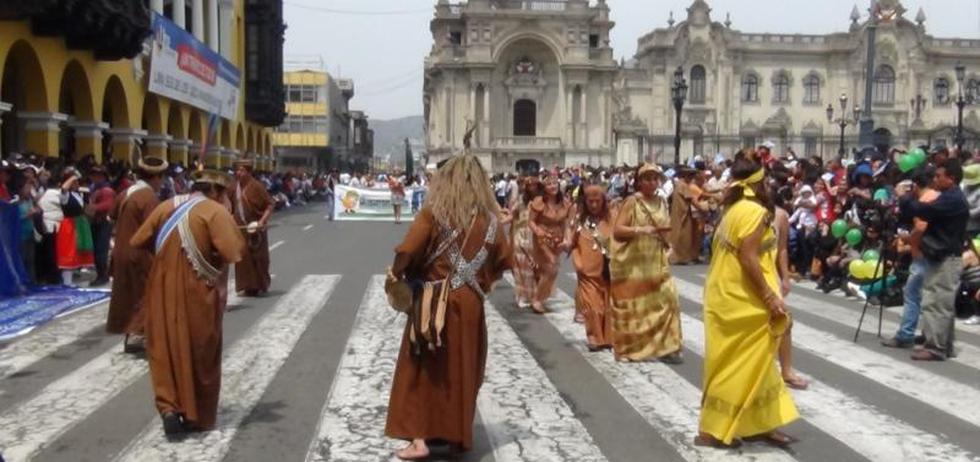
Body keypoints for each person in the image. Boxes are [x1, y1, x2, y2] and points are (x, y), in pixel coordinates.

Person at [385, 154, 512, 460]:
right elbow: (503, 260)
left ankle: (420, 439)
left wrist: (399, 273)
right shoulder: (491, 220)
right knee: (463, 367)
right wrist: (480, 280)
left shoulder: (433, 214)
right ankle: (455, 436)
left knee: (422, 367)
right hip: (470, 302)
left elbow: (408, 251)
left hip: (433, 300)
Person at [130, 169, 243, 437]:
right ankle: (197, 415)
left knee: (166, 348)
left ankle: (169, 408)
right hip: (197, 292)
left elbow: (138, 240)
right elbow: (233, 251)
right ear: (215, 191)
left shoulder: (167, 206)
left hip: (160, 289)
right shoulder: (214, 212)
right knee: (199, 350)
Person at [698, 155, 799, 448]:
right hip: (742, 297)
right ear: (757, 184)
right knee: (737, 363)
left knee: (759, 359)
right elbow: (748, 257)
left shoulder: (734, 209)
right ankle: (713, 429)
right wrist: (769, 296)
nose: (768, 185)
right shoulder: (754, 212)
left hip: (727, 292)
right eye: (765, 180)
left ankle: (761, 422)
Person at [609, 164, 683, 364]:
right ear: (639, 182)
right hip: (635, 261)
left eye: (655, 178)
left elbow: (664, 228)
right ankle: (628, 349)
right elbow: (618, 230)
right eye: (647, 179)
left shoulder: (661, 202)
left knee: (669, 299)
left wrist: (670, 245)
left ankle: (669, 345)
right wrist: (641, 230)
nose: (652, 182)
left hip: (656, 259)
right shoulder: (632, 202)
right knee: (636, 306)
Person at [908, 159, 970, 361]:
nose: (935, 179)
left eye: (939, 176)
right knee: (942, 301)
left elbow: (926, 211)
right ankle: (945, 344)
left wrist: (905, 200)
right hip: (942, 254)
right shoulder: (949, 197)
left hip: (946, 256)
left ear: (951, 178)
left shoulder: (952, 199)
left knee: (937, 301)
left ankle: (935, 346)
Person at [106, 157, 167, 353]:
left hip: (121, 250)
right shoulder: (148, 198)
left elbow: (111, 216)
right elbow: (154, 229)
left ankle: (131, 334)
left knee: (127, 295)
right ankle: (138, 335)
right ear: (156, 177)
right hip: (139, 253)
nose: (162, 181)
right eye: (161, 177)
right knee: (146, 294)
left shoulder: (126, 193)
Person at [882, 168, 939, 347]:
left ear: (914, 185)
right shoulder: (937, 196)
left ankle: (905, 334)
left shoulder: (925, 199)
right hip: (934, 253)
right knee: (931, 297)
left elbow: (921, 228)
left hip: (923, 255)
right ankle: (930, 333)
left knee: (912, 294)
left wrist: (908, 239)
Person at [571, 184, 615, 351]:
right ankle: (593, 337)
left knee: (607, 307)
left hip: (609, 271)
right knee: (592, 307)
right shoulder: (579, 221)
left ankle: (608, 338)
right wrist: (578, 263)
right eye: (591, 201)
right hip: (587, 272)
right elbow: (573, 245)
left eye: (598, 201)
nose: (594, 205)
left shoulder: (612, 218)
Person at [528, 174, 572, 314]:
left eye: (555, 183)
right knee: (552, 266)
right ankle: (537, 299)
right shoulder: (539, 201)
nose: (553, 186)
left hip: (557, 239)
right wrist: (538, 231)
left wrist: (567, 239)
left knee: (547, 269)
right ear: (545, 188)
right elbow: (531, 221)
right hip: (542, 237)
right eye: (549, 184)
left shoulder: (564, 202)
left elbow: (566, 224)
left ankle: (539, 295)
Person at [232, 159, 274, 297]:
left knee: (258, 258)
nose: (238, 173)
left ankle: (259, 285)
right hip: (241, 229)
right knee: (243, 259)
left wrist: (262, 221)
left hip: (256, 228)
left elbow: (270, 204)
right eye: (237, 170)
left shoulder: (257, 186)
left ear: (249, 172)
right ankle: (247, 285)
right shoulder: (233, 187)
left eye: (242, 170)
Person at [56, 169, 94, 287]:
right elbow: (64, 188)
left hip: (79, 224)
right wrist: (72, 177)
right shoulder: (65, 195)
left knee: (78, 251)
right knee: (69, 251)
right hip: (69, 225)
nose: (77, 184)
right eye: (75, 182)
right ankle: (66, 281)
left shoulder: (78, 194)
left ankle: (71, 280)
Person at [510, 176, 542, 309]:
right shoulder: (520, 201)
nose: (532, 188)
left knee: (534, 267)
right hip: (521, 234)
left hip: (536, 236)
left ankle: (534, 295)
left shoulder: (542, 201)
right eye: (529, 186)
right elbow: (513, 216)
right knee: (520, 267)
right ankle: (521, 295)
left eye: (534, 185)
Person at [87, 166, 115, 287]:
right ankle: (101, 274)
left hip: (103, 222)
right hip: (95, 222)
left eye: (97, 175)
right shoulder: (94, 189)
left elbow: (108, 205)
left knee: (101, 250)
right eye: (93, 175)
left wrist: (93, 208)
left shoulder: (106, 190)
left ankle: (103, 275)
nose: (94, 178)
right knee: (97, 250)